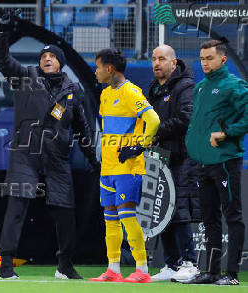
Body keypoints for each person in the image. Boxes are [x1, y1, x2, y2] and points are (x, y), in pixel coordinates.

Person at [0, 13, 100, 280]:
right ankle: (6, 266)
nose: (46, 59)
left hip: (57, 158)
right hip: (25, 155)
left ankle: (65, 265)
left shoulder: (73, 90)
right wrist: (2, 33)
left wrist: (95, 162)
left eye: (52, 56)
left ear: (61, 63)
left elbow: (83, 129)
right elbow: (2, 60)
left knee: (65, 213)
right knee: (16, 210)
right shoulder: (25, 76)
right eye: (43, 57)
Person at [89, 49, 160, 283]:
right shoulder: (106, 94)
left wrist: (140, 146)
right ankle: (113, 269)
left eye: (98, 67)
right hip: (108, 167)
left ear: (109, 69)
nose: (96, 71)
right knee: (110, 217)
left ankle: (142, 269)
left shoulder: (131, 92)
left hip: (127, 166)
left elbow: (153, 120)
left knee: (127, 216)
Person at [185, 39, 248, 286]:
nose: (204, 63)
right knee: (208, 218)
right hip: (202, 163)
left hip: (224, 161)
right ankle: (211, 272)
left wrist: (227, 133)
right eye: (201, 59)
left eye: (209, 58)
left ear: (223, 59)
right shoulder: (200, 87)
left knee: (232, 216)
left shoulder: (234, 85)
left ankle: (231, 274)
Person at [147, 45, 201, 282]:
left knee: (179, 208)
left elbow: (186, 118)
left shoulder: (185, 86)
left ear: (173, 62)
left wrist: (156, 133)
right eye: (153, 59)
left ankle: (190, 263)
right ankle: (172, 264)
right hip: (160, 158)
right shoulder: (154, 88)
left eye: (161, 59)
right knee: (163, 210)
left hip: (182, 157)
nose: (156, 63)